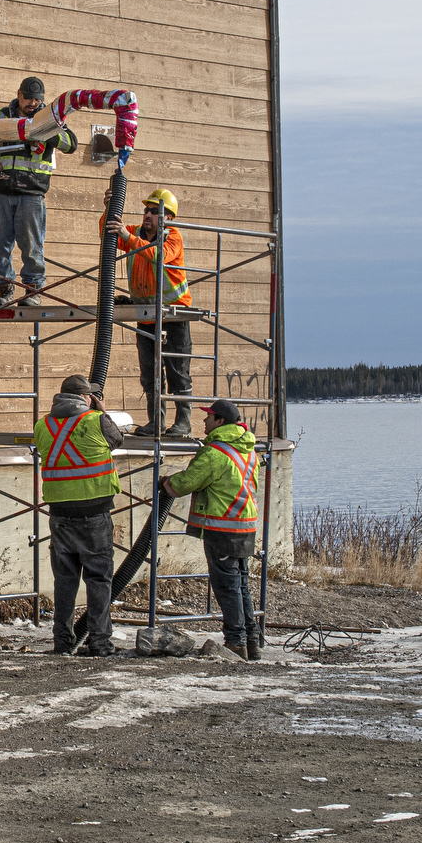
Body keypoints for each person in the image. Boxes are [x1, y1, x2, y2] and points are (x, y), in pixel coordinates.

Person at [161, 397, 261, 657]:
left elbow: (186, 483)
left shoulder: (214, 452)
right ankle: (252, 641)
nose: (204, 421)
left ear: (220, 421)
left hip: (223, 527)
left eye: (208, 417)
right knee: (241, 585)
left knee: (227, 587)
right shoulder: (249, 451)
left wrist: (166, 483)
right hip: (245, 525)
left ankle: (236, 641)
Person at [38, 374, 121, 654]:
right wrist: (102, 411)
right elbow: (117, 440)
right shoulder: (97, 420)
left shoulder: (43, 425)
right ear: (88, 398)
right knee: (98, 579)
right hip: (94, 514)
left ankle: (62, 641)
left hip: (59, 515)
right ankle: (99, 642)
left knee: (65, 580)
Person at [0, 76, 75, 309]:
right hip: (2, 191)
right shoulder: (1, 116)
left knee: (32, 246)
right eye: (29, 98)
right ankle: (5, 291)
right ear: (19, 95)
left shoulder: (49, 118)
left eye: (37, 99)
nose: (33, 103)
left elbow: (71, 143)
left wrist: (45, 131)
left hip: (32, 194)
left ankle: (33, 291)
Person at [108, 187, 195, 434]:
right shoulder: (136, 233)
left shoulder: (172, 237)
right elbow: (109, 235)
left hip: (173, 314)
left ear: (168, 217)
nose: (148, 215)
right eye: (147, 210)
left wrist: (129, 237)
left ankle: (183, 423)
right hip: (147, 315)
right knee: (149, 373)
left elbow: (160, 255)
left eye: (155, 212)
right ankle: (156, 422)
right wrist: (108, 209)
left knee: (177, 371)